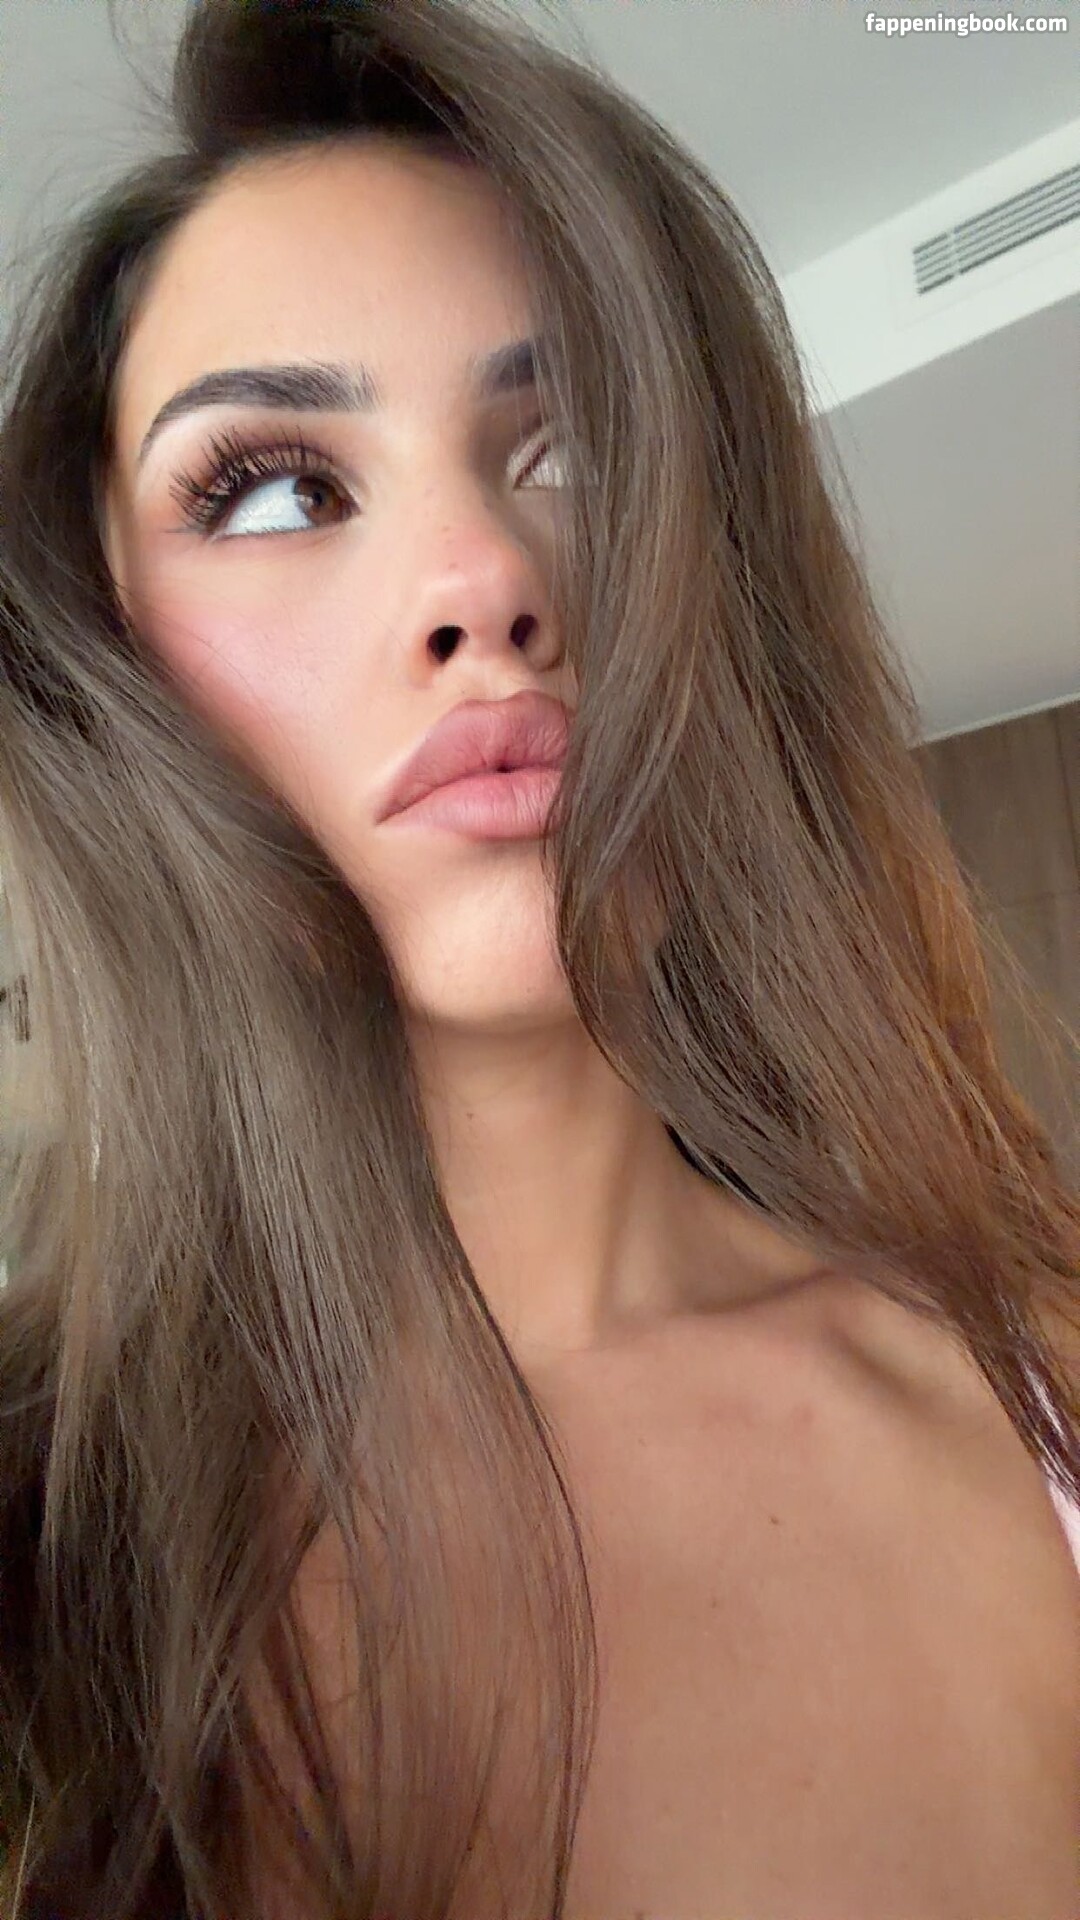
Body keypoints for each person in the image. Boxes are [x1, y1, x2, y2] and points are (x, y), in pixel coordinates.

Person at [0, 1, 1076, 1915]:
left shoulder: (1041, 1386)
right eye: (273, 487)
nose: (481, 581)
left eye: (570, 446)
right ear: (105, 657)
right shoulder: (40, 1544)